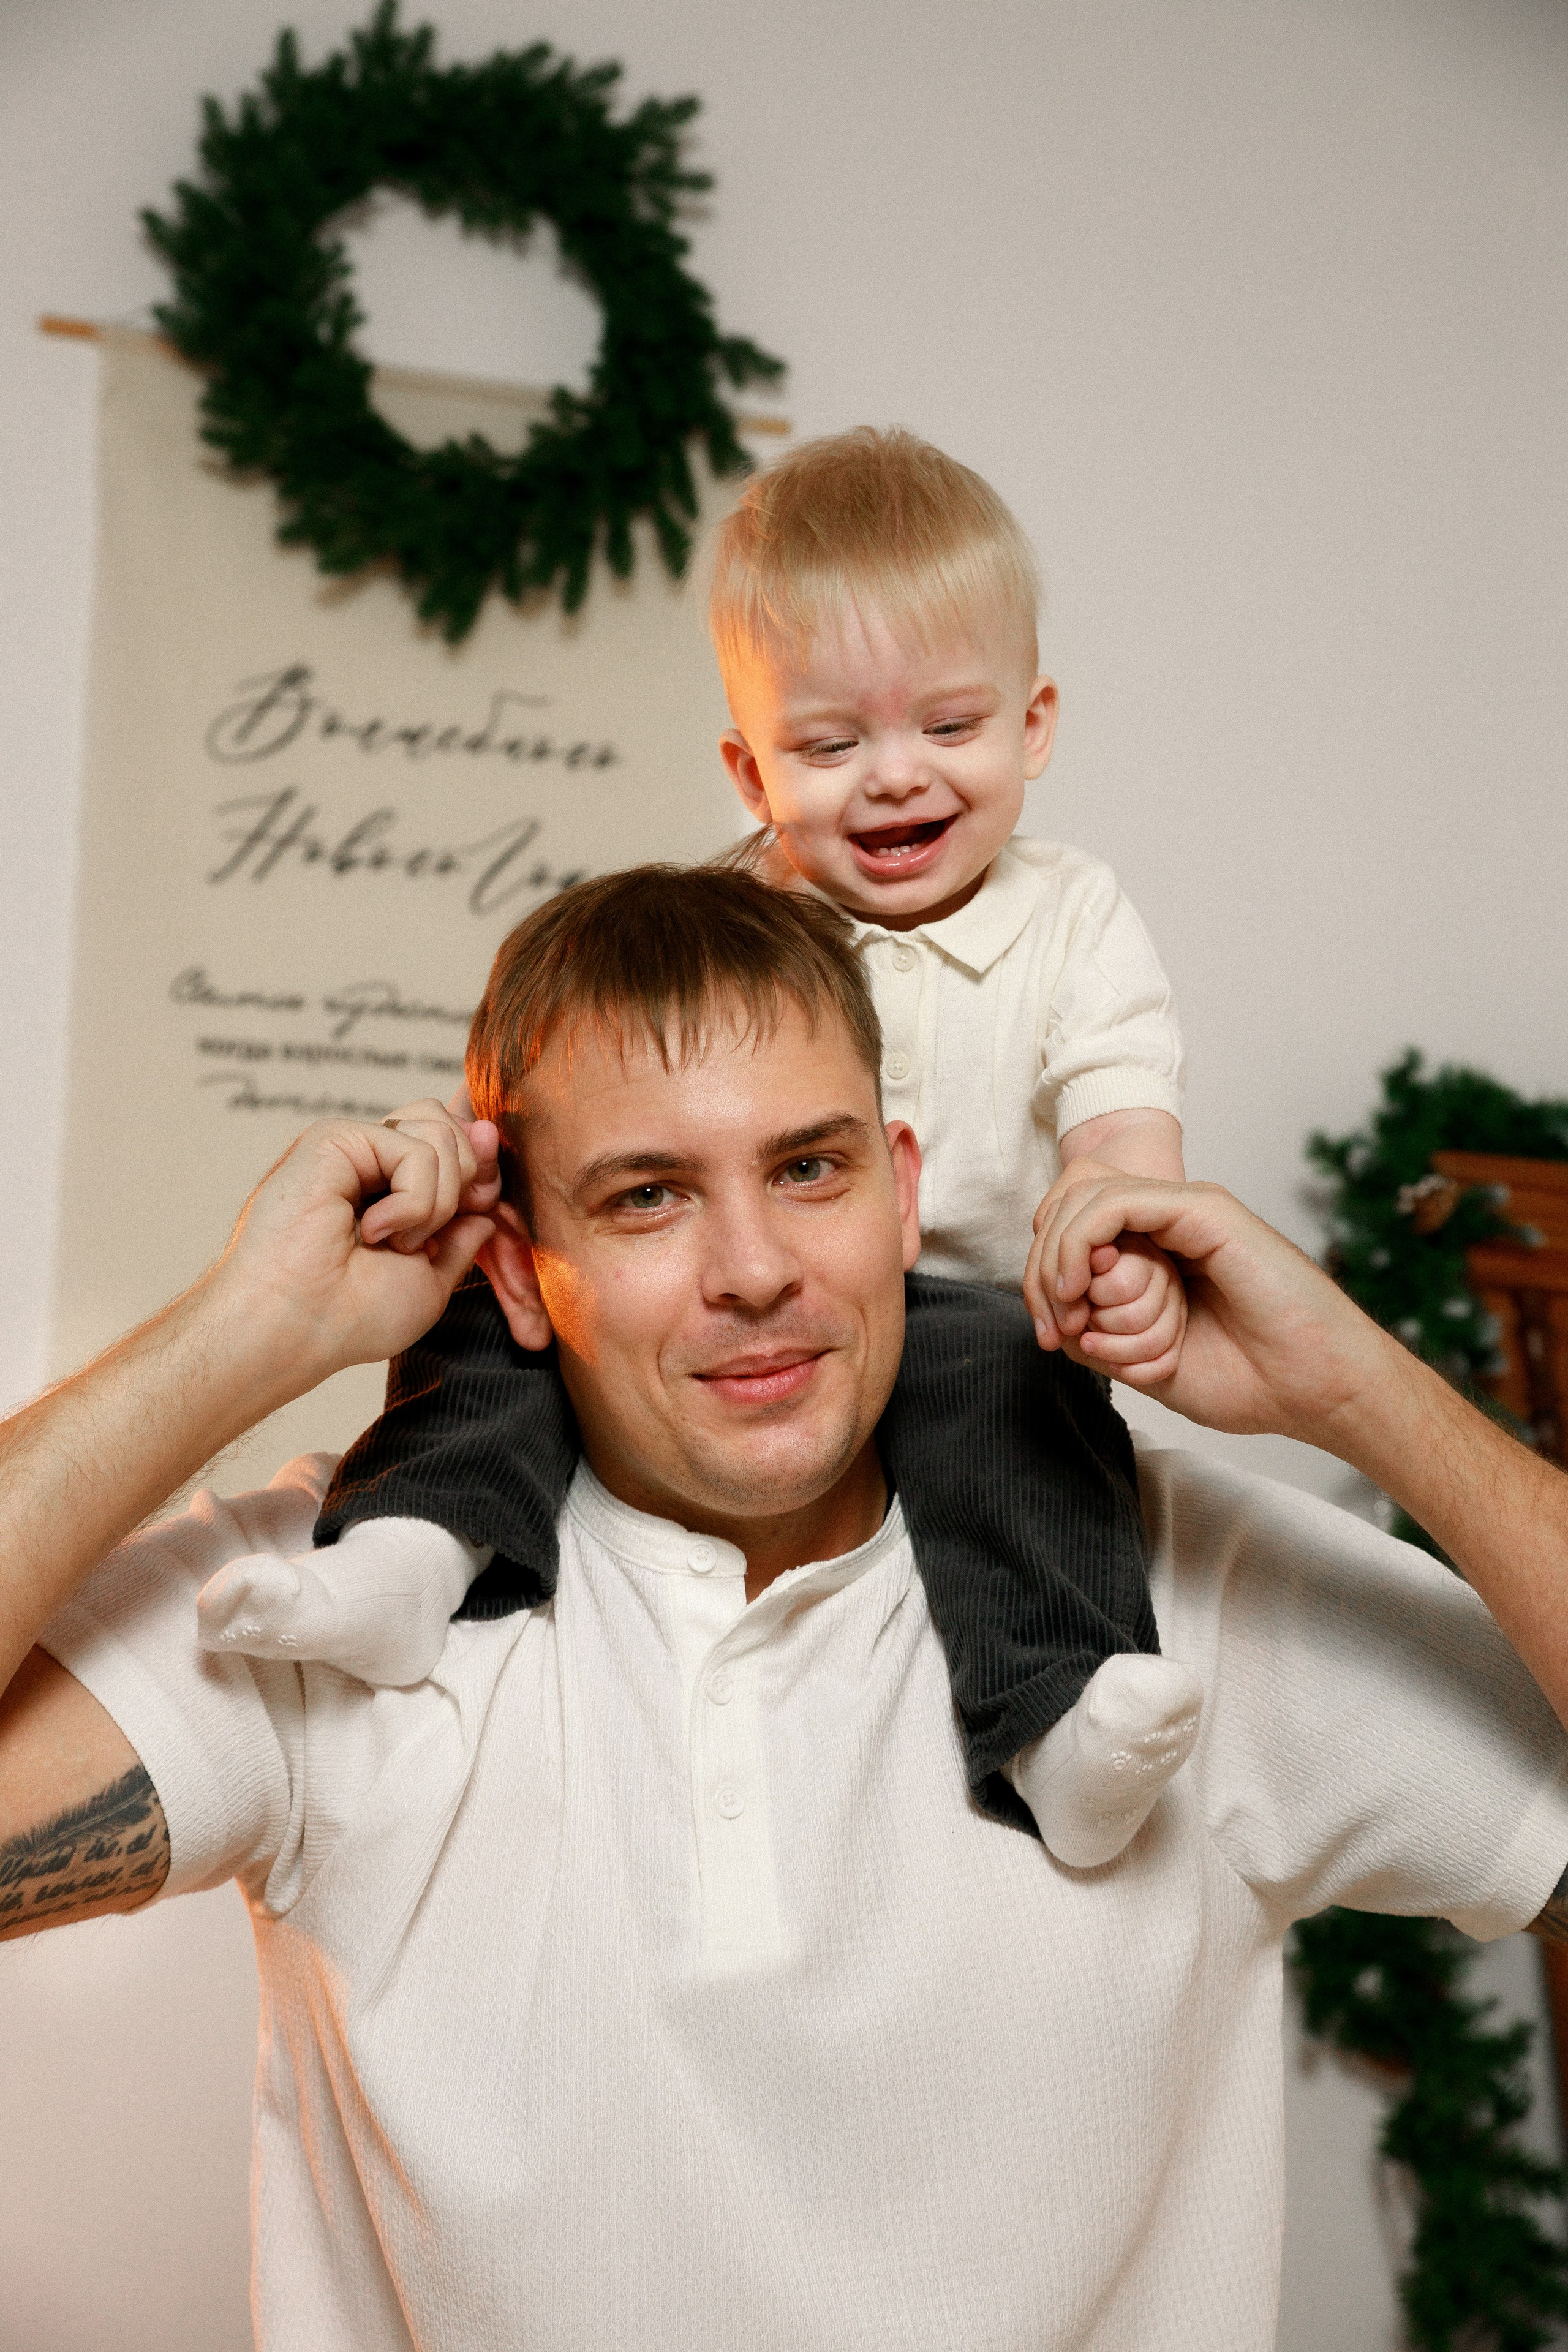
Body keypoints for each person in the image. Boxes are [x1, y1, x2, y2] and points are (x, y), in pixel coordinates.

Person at [3, 865, 1568, 2351]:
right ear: (517, 1271)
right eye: (644, 1198)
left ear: (899, 1192)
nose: (753, 1269)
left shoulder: (1170, 1581)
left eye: (805, 1169)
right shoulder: (328, 1605)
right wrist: (242, 1329)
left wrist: (1362, 1393)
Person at [206, 429, 1204, 1863]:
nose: (893, 781)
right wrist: (460, 1171)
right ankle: (413, 1548)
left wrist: (1105, 1225)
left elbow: (1119, 1126)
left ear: (1034, 726)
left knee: (1022, 1425)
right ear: (747, 768)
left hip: (969, 1304)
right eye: (828, 744)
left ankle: (1053, 1721)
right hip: (740, 1310)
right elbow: (577, 1118)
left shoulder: (1074, 918)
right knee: (513, 1312)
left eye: (948, 727)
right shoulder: (736, 919)